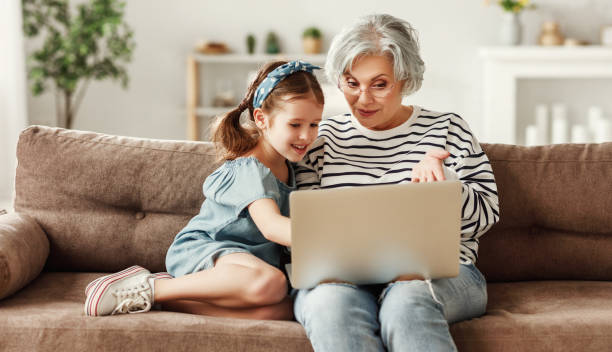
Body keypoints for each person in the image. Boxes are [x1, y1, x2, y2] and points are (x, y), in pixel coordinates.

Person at [293, 14, 500, 351]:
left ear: (405, 79)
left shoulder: (448, 130)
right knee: (329, 306)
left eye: (379, 84)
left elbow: (487, 216)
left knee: (406, 303)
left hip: (440, 277)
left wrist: (445, 184)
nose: (362, 99)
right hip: (341, 282)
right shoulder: (320, 139)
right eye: (351, 82)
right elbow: (303, 233)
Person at [84, 60, 324, 319]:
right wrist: (331, 240)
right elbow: (271, 226)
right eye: (295, 125)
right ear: (262, 119)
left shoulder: (291, 169)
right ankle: (151, 288)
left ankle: (175, 301)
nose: (306, 136)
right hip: (204, 252)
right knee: (272, 282)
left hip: (245, 271)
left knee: (286, 309)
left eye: (314, 124)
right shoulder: (250, 168)